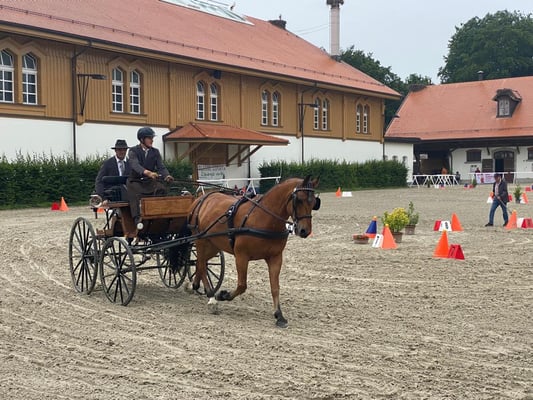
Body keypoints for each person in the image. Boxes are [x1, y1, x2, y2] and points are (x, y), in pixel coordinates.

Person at [127, 127, 174, 229]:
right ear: (142, 139)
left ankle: (161, 214)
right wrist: (148, 173)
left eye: (152, 138)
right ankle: (137, 218)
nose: (152, 140)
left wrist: (167, 175)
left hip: (149, 182)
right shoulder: (133, 151)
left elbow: (161, 166)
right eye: (149, 138)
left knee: (161, 188)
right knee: (135, 192)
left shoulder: (155, 152)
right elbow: (135, 165)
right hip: (135, 181)